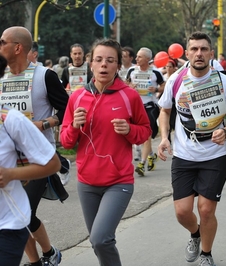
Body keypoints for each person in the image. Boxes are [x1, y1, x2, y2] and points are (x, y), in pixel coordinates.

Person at [60, 38, 151, 266]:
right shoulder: (77, 97)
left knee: (101, 239)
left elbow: (145, 131)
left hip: (118, 181)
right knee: (98, 241)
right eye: (99, 60)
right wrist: (74, 126)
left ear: (118, 65)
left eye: (110, 61)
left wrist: (129, 129)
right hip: (87, 182)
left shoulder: (129, 96)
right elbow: (66, 140)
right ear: (90, 64)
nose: (103, 65)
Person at [157, 31, 226, 266]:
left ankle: (206, 253)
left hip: (216, 155)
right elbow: (164, 110)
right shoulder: (176, 81)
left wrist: (225, 131)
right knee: (182, 212)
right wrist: (164, 138)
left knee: (206, 210)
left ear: (211, 54)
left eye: (204, 49)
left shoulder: (224, 82)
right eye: (194, 49)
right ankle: (195, 234)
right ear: (187, 54)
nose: (199, 54)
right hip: (184, 155)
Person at [0, 26, 70, 266]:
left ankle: (49, 253)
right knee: (15, 214)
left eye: (2, 43)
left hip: (37, 157)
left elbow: (66, 110)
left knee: (25, 211)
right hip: (6, 158)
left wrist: (45, 123)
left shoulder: (44, 76)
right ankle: (37, 260)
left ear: (18, 47)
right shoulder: (1, 78)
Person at [126, 47, 165, 176]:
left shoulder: (156, 72)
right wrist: (129, 88)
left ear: (148, 59)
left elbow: (164, 86)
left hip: (150, 106)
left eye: (140, 57)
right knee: (138, 137)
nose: (136, 59)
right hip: (135, 107)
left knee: (146, 136)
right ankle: (151, 155)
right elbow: (125, 85)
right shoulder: (132, 71)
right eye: (137, 56)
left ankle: (141, 164)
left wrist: (157, 89)